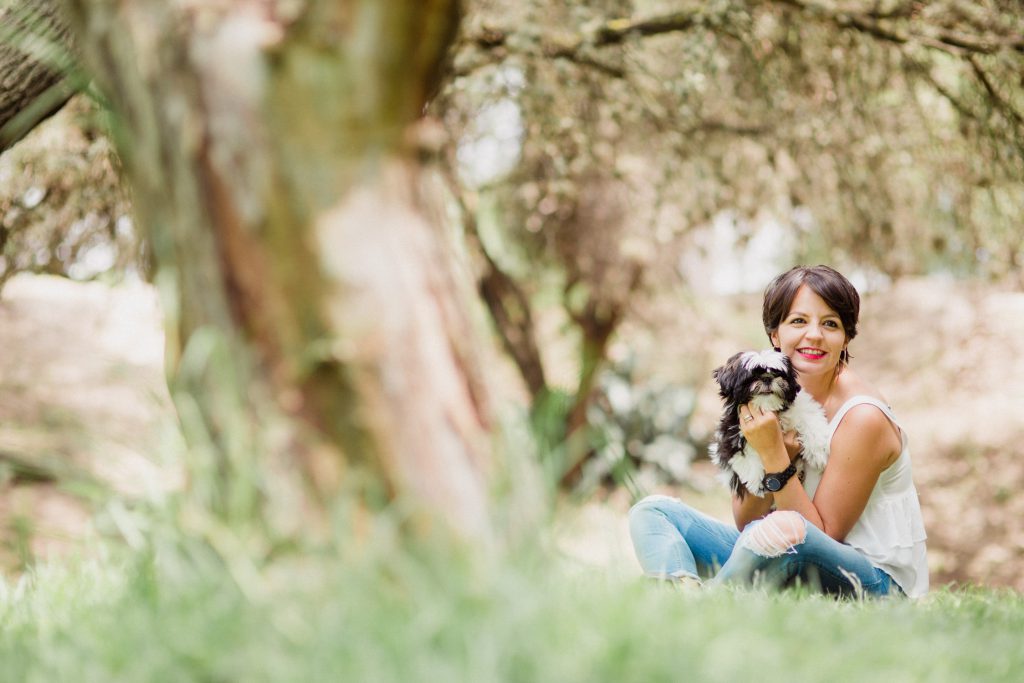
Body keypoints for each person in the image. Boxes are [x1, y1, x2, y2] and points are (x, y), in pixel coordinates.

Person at [629, 265, 928, 598]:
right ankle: (680, 591)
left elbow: (820, 535)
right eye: (798, 321)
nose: (814, 335)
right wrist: (766, 449)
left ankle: (706, 608)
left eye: (830, 324)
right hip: (785, 544)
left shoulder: (862, 418)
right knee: (653, 512)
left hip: (873, 581)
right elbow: (746, 521)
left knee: (783, 529)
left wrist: (775, 454)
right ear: (775, 334)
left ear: (846, 337)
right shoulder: (769, 395)